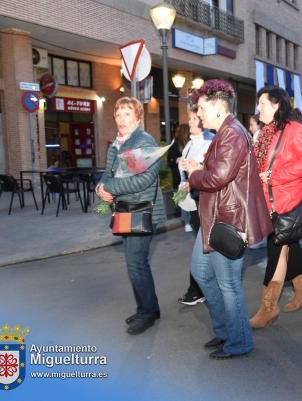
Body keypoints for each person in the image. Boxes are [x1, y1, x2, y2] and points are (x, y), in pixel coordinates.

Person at [183, 80, 272, 359]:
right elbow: (220, 172)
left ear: (218, 107)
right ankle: (225, 331)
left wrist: (195, 175)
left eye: (201, 108)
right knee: (201, 271)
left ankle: (239, 341)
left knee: (228, 284)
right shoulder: (226, 131)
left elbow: (218, 176)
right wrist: (200, 169)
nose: (198, 115)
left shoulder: (232, 132)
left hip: (227, 220)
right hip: (214, 217)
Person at [96, 97, 166, 335]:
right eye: (118, 114)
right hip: (126, 209)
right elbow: (108, 173)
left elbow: (144, 179)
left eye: (127, 114)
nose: (122, 119)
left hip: (142, 209)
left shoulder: (143, 141)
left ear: (138, 117)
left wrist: (111, 188)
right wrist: (100, 189)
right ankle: (148, 308)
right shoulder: (117, 144)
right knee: (136, 264)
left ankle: (147, 313)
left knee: (136, 263)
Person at [249, 86, 302, 328]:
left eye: (263, 104)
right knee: (287, 247)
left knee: (277, 250)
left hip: (287, 200)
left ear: (277, 105)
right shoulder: (266, 132)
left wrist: (275, 176)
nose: (259, 108)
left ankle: (268, 307)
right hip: (269, 202)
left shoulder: (294, 129)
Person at [176, 105, 215, 306]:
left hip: (203, 200)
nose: (189, 122)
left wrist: (193, 169)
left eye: (193, 119)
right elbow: (187, 169)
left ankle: (198, 289)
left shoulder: (209, 142)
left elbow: (207, 171)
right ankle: (202, 289)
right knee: (203, 248)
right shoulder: (192, 142)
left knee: (203, 249)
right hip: (192, 199)